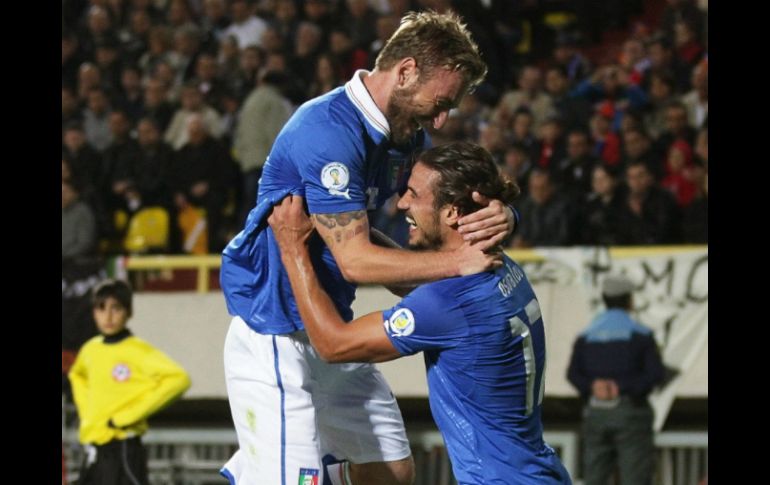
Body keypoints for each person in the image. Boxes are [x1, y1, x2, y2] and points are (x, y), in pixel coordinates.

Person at [219, 11, 516, 485]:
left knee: (391, 473)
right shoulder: (327, 131)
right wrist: (458, 261)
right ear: (404, 72)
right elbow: (355, 259)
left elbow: (439, 211)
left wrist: (504, 214)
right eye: (441, 102)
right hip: (274, 331)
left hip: (329, 320)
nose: (442, 119)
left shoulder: (405, 136)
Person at [268, 141, 571, 485]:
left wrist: (293, 250)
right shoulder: (500, 267)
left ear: (453, 212)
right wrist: (338, 231)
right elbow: (415, 283)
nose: (402, 203)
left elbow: (334, 345)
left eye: (414, 193)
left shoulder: (450, 301)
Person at [68, 279, 191, 485]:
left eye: (116, 308)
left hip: (123, 446)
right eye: (101, 308)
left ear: (128, 312)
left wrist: (127, 416)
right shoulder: (91, 349)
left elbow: (179, 379)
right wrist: (88, 414)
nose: (108, 316)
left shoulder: (137, 350)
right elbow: (76, 375)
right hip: (95, 447)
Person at [566, 274, 665, 485]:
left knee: (594, 475)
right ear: (630, 300)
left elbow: (573, 374)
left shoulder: (587, 335)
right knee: (635, 475)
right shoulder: (641, 335)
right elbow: (655, 374)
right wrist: (620, 387)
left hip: (596, 412)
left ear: (604, 299)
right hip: (631, 413)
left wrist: (593, 386)